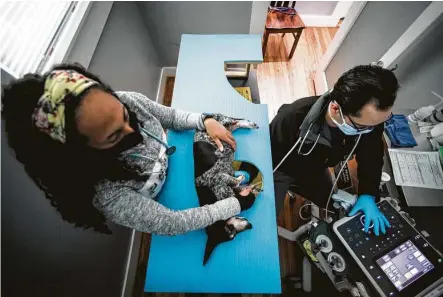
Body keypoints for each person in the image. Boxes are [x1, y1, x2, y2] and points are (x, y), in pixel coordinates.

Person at [2, 63, 256, 235]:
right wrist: (234, 205)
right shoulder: (107, 194)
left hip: (182, 165)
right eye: (114, 136)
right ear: (84, 154)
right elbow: (173, 222)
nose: (133, 132)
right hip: (174, 202)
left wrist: (205, 120)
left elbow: (172, 116)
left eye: (124, 115)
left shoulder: (129, 101)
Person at [270, 64, 399, 236]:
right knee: (265, 219)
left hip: (316, 167)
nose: (371, 131)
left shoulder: (370, 121)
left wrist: (368, 193)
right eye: (362, 127)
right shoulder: (291, 119)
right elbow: (269, 159)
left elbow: (372, 155)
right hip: (282, 167)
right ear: (335, 108)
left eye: (376, 125)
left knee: (331, 204)